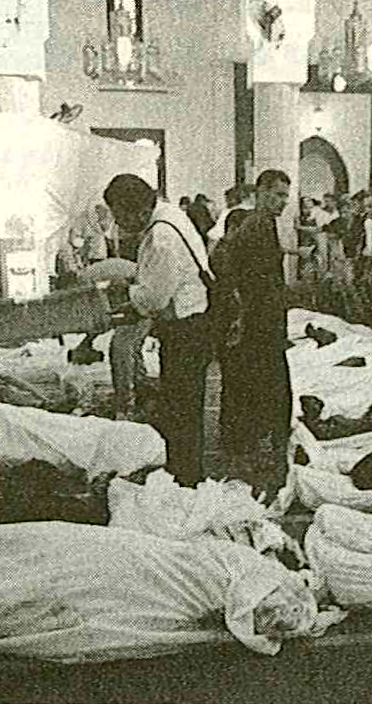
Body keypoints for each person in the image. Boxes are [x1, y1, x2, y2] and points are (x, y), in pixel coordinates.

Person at [104, 174, 212, 487]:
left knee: (181, 408)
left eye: (119, 215)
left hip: (185, 328)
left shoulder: (160, 237)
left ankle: (185, 478)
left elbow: (154, 298)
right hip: (192, 321)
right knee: (182, 405)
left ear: (137, 210)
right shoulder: (169, 215)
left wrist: (128, 294)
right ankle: (183, 471)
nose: (118, 223)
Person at [219, 169, 299, 497]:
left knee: (260, 387)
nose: (283, 202)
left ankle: (253, 449)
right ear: (261, 192)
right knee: (261, 387)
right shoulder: (255, 226)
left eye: (285, 196)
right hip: (258, 324)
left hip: (263, 321)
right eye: (277, 195)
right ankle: (251, 453)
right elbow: (242, 277)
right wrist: (243, 316)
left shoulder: (263, 225)